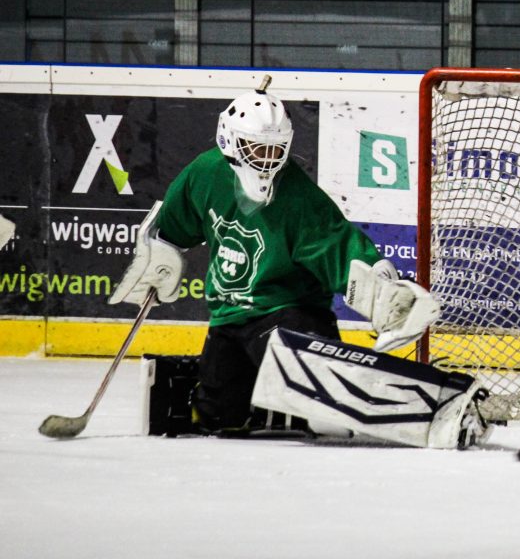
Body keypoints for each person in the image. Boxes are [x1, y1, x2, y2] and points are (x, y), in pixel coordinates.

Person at [107, 80, 480, 446]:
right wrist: (159, 255)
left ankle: (437, 404)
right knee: (217, 418)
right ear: (229, 142)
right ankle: (268, 401)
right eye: (257, 149)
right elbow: (173, 227)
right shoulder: (204, 174)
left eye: (275, 150)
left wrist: (381, 288)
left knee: (318, 393)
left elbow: (339, 247)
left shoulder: (298, 198)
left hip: (289, 313)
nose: (267, 160)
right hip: (229, 316)